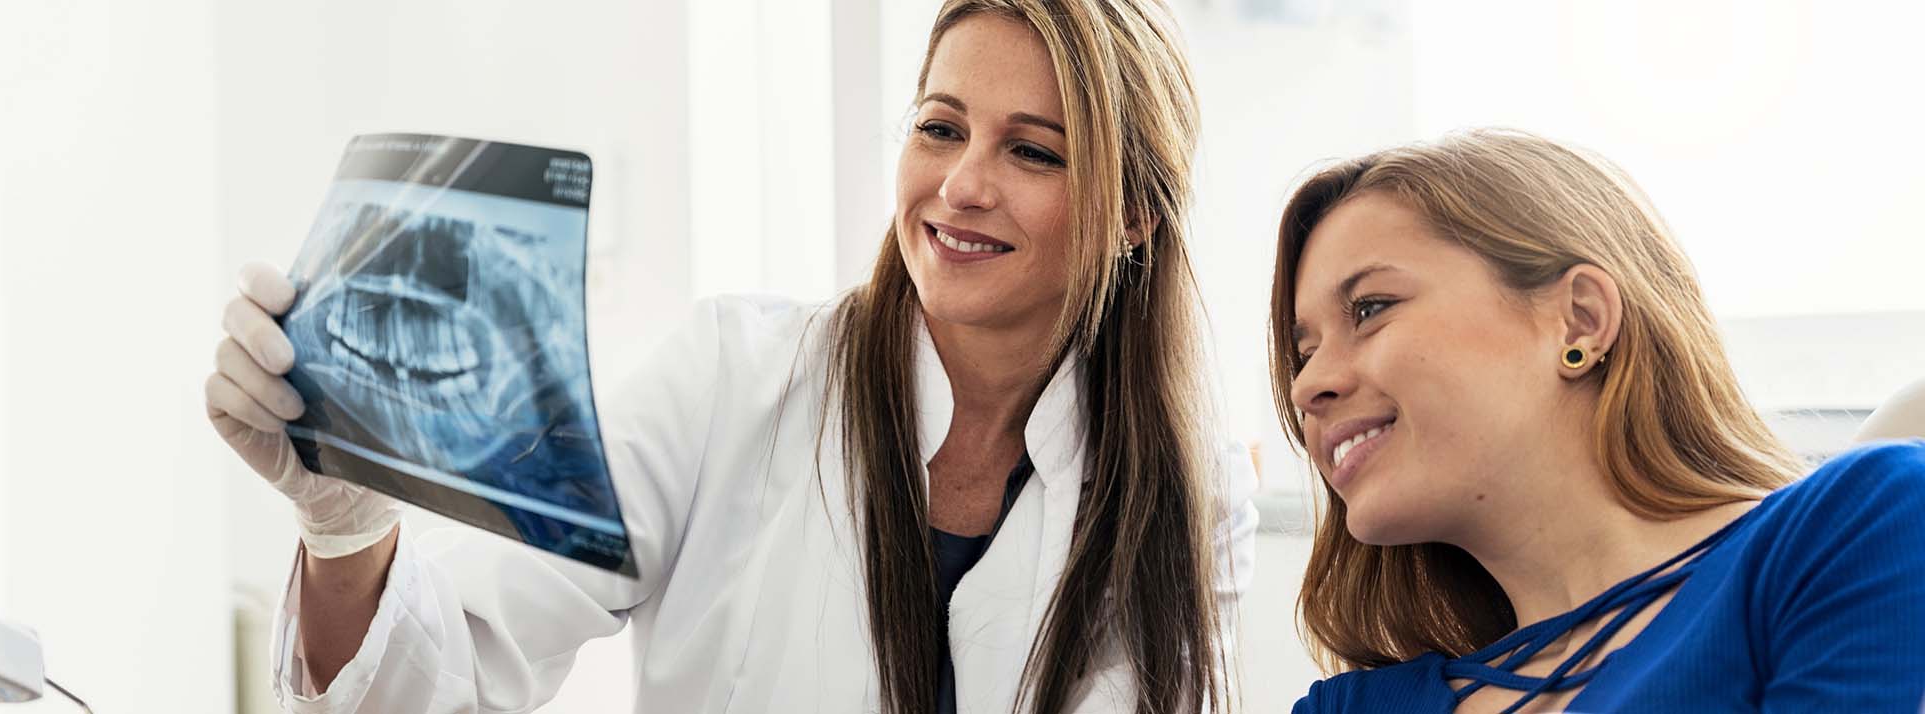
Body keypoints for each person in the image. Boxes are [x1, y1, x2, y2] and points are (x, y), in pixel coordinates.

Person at [203, 1, 1260, 712]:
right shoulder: (729, 381)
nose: (961, 186)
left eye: (1030, 150)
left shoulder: (1188, 485)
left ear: (1131, 209)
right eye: (940, 128)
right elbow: (449, 677)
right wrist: (346, 528)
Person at [1272, 130, 1925, 712]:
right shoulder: (1350, 706)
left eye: (1370, 307)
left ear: (1580, 318)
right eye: (1305, 353)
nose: (1308, 385)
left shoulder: (1853, 528)